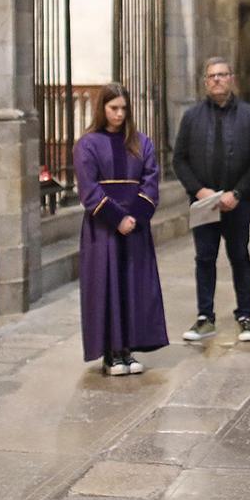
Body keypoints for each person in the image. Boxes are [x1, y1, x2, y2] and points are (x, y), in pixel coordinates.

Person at [75, 83, 169, 375]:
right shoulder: (87, 144)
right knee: (106, 286)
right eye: (113, 108)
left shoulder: (142, 143)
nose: (118, 114)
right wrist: (117, 219)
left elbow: (151, 183)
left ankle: (128, 348)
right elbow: (88, 189)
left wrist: (135, 218)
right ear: (102, 109)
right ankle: (111, 352)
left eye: (123, 109)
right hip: (103, 228)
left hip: (135, 227)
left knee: (133, 285)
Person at [171, 58, 250, 344]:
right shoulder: (192, 117)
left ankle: (244, 314)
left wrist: (237, 193)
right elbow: (179, 159)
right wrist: (199, 191)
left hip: (236, 202)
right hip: (204, 203)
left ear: (231, 78)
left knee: (239, 256)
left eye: (222, 75)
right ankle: (205, 317)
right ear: (204, 82)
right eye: (211, 76)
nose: (217, 80)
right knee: (205, 257)